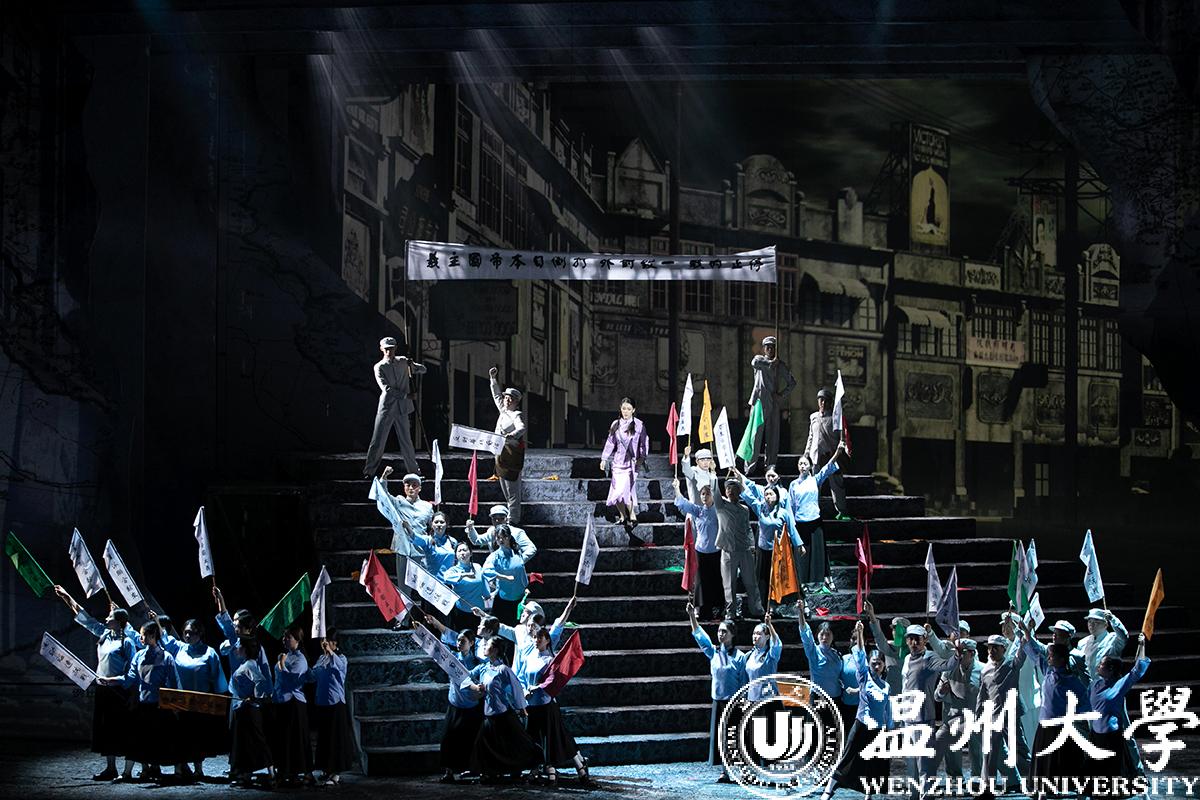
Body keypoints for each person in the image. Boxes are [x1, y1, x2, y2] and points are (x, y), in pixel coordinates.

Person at [53, 586, 138, 782]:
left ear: (119, 622)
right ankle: (111, 768)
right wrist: (67, 596)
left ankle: (127, 772)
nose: (106, 618)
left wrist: (127, 689)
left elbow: (132, 672)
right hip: (103, 690)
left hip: (120, 691)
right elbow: (85, 619)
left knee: (122, 729)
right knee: (106, 729)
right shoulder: (104, 634)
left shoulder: (127, 642)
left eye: (110, 617)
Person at [104, 620, 184, 784]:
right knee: (137, 740)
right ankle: (127, 773)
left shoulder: (166, 657)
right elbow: (130, 679)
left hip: (161, 706)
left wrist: (176, 705)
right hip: (143, 705)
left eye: (143, 635)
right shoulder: (139, 656)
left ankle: (178, 772)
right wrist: (112, 680)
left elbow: (175, 683)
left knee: (168, 740)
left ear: (153, 635)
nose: (140, 638)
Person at [820, 621, 892, 800]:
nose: (876, 667)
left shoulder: (886, 686)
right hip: (861, 725)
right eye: (873, 663)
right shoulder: (864, 676)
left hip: (878, 728)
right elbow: (860, 654)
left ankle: (868, 793)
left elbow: (887, 709)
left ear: (884, 666)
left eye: (879, 664)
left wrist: (890, 728)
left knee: (873, 762)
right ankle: (829, 789)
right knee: (848, 756)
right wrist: (860, 633)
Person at [464, 635, 544, 782]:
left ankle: (530, 767)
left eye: (487, 645)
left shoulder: (503, 670)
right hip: (489, 714)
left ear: (495, 650)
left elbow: (516, 688)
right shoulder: (483, 667)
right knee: (486, 746)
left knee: (517, 744)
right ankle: (491, 772)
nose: (484, 647)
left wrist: (521, 708)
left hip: (502, 715)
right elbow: (466, 677)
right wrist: (475, 687)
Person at [686, 603, 748, 783]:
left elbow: (744, 681)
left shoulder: (739, 657)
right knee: (721, 737)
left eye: (724, 631)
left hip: (734, 702)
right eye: (719, 631)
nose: (720, 634)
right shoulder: (714, 653)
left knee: (736, 736)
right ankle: (725, 771)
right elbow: (701, 638)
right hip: (718, 701)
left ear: (732, 634)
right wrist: (692, 616)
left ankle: (742, 770)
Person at [522, 626, 592, 785]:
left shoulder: (550, 660)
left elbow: (552, 680)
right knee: (535, 738)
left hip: (546, 706)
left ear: (547, 640)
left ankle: (576, 767)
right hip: (532, 705)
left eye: (540, 638)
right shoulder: (530, 658)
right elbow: (524, 678)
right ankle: (541, 770)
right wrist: (525, 690)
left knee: (557, 739)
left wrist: (535, 689)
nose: (536, 640)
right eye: (535, 637)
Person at [901, 623, 959, 799]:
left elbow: (947, 665)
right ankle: (914, 795)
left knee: (924, 763)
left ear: (924, 640)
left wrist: (957, 654)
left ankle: (927, 795)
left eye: (917, 639)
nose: (913, 643)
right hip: (907, 717)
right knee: (911, 762)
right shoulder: (907, 658)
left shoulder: (929, 657)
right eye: (910, 639)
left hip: (923, 718)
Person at [735, 468, 804, 612]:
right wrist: (739, 480)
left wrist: (799, 545)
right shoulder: (760, 508)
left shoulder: (783, 513)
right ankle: (762, 605)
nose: (767, 496)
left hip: (777, 550)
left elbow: (791, 529)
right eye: (766, 494)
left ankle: (774, 605)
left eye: (770, 494)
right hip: (763, 549)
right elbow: (749, 497)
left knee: (776, 578)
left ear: (776, 496)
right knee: (762, 578)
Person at [1089, 634, 1150, 792]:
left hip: (1111, 734)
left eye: (1101, 664)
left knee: (1113, 768)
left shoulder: (1119, 685)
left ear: (1110, 669)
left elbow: (1137, 670)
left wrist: (1142, 645)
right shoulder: (1095, 685)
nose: (1098, 666)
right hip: (1095, 733)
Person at [1026, 640, 1091, 788]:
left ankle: (1062, 785)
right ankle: (1043, 786)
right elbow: (1035, 655)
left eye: (1052, 656)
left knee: (1061, 758)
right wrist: (1026, 635)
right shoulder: (1049, 672)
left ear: (1062, 659)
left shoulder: (1071, 680)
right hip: (1045, 723)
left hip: (1061, 726)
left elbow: (1085, 702)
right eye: (1049, 656)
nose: (1049, 658)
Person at [172, 619, 229, 781]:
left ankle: (198, 769)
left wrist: (220, 698)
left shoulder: (209, 652)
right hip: (181, 700)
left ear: (200, 633)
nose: (187, 636)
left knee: (197, 735)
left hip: (200, 701)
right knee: (179, 735)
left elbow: (217, 677)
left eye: (191, 633)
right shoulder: (179, 649)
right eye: (185, 632)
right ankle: (179, 768)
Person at [787, 441, 847, 593]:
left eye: (805, 464)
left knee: (821, 552)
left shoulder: (815, 479)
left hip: (815, 522)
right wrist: (791, 526)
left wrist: (838, 452)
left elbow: (828, 467)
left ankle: (828, 579)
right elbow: (791, 506)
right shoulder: (793, 485)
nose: (802, 466)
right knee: (801, 554)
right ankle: (802, 582)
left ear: (809, 466)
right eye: (800, 464)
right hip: (800, 523)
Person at [363, 336, 426, 479]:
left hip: (402, 409)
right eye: (386, 349)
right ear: (381, 349)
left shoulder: (403, 361)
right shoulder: (379, 367)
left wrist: (412, 364)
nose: (389, 351)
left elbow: (423, 370)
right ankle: (369, 471)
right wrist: (406, 396)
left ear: (395, 348)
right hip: (386, 409)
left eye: (391, 348)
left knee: (406, 441)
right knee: (378, 441)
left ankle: (414, 472)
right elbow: (386, 388)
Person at [976, 632, 1028, 797]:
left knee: (1020, 749)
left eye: (995, 648)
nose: (991, 651)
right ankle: (988, 786)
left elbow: (1022, 653)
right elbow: (982, 695)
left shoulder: (1011, 664)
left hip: (1011, 713)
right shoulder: (985, 670)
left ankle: (1031, 780)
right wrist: (978, 716)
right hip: (995, 715)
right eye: (989, 648)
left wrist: (1024, 635)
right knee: (991, 750)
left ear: (1003, 649)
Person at [671, 477, 724, 623]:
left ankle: (718, 610)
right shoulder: (698, 511)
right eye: (702, 494)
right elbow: (683, 502)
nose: (705, 496)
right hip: (701, 552)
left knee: (716, 581)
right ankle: (703, 610)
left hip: (716, 552)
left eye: (708, 494)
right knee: (701, 582)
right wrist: (677, 489)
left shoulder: (719, 511)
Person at [308, 628, 355, 786]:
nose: (324, 643)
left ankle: (336, 773)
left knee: (336, 739)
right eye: (323, 640)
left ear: (335, 643)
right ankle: (326, 769)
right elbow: (313, 676)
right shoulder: (321, 658)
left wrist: (330, 652)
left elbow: (339, 668)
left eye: (328, 641)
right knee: (325, 739)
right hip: (322, 703)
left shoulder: (341, 658)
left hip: (336, 703)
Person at [713, 476, 765, 620]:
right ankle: (731, 612)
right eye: (728, 488)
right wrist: (713, 474)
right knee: (729, 584)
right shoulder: (721, 506)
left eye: (734, 488)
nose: (730, 491)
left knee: (751, 581)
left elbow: (748, 528)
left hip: (744, 549)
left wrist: (752, 545)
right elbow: (714, 490)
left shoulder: (744, 509)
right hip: (728, 549)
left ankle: (757, 609)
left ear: (739, 492)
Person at [745, 335, 796, 475]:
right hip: (759, 402)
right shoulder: (759, 360)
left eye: (772, 347)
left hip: (773, 403)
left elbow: (792, 383)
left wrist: (781, 394)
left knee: (773, 437)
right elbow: (754, 363)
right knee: (754, 436)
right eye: (767, 347)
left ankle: (770, 465)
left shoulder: (780, 365)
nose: (770, 349)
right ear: (764, 349)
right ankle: (750, 467)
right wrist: (771, 363)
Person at [932, 638, 982, 780]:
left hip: (976, 717)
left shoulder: (983, 670)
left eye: (963, 652)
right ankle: (953, 777)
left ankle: (978, 778)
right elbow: (937, 696)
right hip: (955, 717)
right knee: (942, 743)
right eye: (957, 652)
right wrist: (942, 691)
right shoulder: (949, 669)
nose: (959, 655)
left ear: (972, 653)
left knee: (977, 749)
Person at [227, 637, 274, 788]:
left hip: (250, 709)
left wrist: (253, 696)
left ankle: (272, 774)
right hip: (243, 707)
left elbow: (261, 682)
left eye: (239, 646)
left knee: (258, 740)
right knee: (245, 742)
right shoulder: (245, 664)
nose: (237, 649)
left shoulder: (250, 665)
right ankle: (246, 774)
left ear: (245, 649)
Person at [271, 625, 315, 786]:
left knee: (295, 739)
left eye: (288, 637)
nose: (284, 639)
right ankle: (285, 770)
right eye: (284, 636)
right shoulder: (286, 655)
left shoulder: (300, 659)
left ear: (297, 640)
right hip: (282, 701)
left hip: (294, 703)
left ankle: (298, 771)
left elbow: (291, 681)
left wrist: (282, 664)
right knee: (284, 738)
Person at [600, 396, 649, 533]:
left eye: (628, 409)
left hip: (631, 464)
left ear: (633, 410)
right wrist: (604, 458)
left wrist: (641, 458)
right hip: (617, 463)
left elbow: (644, 443)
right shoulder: (615, 424)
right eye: (623, 408)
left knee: (626, 490)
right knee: (616, 492)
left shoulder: (639, 425)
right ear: (620, 409)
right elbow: (610, 443)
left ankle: (632, 515)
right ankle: (623, 516)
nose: (626, 411)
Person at [804, 388, 850, 521]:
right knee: (814, 487)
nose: (823, 403)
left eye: (825, 400)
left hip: (831, 457)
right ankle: (814, 511)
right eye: (821, 400)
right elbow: (811, 437)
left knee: (836, 486)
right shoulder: (813, 417)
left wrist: (840, 449)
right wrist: (806, 453)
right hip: (816, 457)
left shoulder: (836, 418)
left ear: (830, 402)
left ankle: (841, 511)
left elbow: (842, 437)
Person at [489, 366, 527, 523]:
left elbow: (522, 427)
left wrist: (513, 435)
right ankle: (510, 517)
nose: (507, 400)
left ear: (516, 402)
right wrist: (493, 379)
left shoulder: (516, 414)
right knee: (504, 487)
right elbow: (496, 395)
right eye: (506, 398)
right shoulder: (503, 410)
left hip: (511, 454)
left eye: (511, 399)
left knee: (512, 489)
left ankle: (513, 520)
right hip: (500, 454)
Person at [212, 585, 270, 673]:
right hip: (235, 681)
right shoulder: (234, 641)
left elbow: (265, 671)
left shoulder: (257, 647)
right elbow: (226, 620)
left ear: (248, 629)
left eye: (238, 625)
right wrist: (220, 599)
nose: (234, 625)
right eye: (234, 621)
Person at [442, 541, 494, 632]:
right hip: (461, 611)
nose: (462, 553)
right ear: (456, 555)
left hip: (479, 611)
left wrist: (487, 596)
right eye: (459, 551)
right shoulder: (454, 570)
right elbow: (446, 578)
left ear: (470, 553)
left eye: (464, 550)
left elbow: (483, 583)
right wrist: (464, 575)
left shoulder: (477, 567)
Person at [481, 525, 528, 625]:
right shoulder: (495, 556)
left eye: (504, 537)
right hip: (504, 600)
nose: (501, 540)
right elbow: (486, 571)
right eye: (498, 537)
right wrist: (503, 577)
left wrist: (525, 586)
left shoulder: (517, 552)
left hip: (519, 599)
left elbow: (521, 571)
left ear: (509, 537)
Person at [799, 610, 844, 711]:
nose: (825, 638)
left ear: (833, 636)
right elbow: (805, 634)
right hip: (818, 697)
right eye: (822, 634)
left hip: (836, 698)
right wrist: (800, 612)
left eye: (828, 634)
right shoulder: (813, 651)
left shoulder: (837, 654)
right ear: (817, 636)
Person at [864, 601, 910, 696]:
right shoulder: (890, 648)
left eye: (898, 629)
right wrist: (871, 615)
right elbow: (878, 636)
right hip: (892, 694)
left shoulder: (915, 649)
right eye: (894, 629)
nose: (895, 632)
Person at [467, 505, 538, 564]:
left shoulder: (517, 532)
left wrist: (519, 561)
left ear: (506, 519)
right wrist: (470, 528)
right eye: (494, 518)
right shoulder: (491, 532)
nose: (497, 521)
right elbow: (477, 540)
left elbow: (531, 548)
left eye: (501, 518)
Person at [1079, 607, 1129, 683]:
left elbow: (1123, 637)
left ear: (1105, 624)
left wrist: (1113, 619)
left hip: (1106, 685)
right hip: (1086, 685)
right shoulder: (1082, 642)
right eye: (1089, 621)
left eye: (1096, 622)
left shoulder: (1113, 639)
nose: (1091, 624)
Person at [410, 511, 459, 580]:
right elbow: (414, 536)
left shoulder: (453, 542)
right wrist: (408, 528)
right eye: (436, 522)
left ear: (446, 524)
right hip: (432, 583)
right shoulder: (427, 540)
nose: (439, 524)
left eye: (442, 522)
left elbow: (457, 562)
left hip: (449, 582)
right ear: (432, 525)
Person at [745, 616, 783, 701]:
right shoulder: (748, 655)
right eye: (754, 633)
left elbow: (776, 644)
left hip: (768, 699)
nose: (755, 636)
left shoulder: (771, 655)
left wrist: (769, 625)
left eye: (759, 634)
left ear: (767, 637)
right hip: (752, 699)